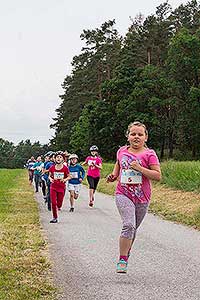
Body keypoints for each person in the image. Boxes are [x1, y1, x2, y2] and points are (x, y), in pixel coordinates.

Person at [107, 121, 161, 274]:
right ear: (128, 136)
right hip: (123, 193)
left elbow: (157, 176)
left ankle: (127, 251)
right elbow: (118, 164)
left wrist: (140, 168)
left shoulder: (149, 154)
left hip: (142, 197)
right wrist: (113, 176)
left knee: (133, 229)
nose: (136, 137)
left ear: (146, 137)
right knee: (129, 225)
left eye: (140, 134)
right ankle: (122, 259)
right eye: (133, 134)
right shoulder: (122, 151)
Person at [48, 151, 71, 223]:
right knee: (53, 203)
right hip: (53, 187)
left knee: (59, 204)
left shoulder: (65, 168)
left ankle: (59, 206)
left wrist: (64, 179)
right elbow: (49, 176)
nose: (58, 158)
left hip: (61, 187)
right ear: (55, 159)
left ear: (63, 159)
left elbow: (69, 176)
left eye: (60, 157)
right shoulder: (52, 168)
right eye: (57, 157)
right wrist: (51, 179)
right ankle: (55, 217)